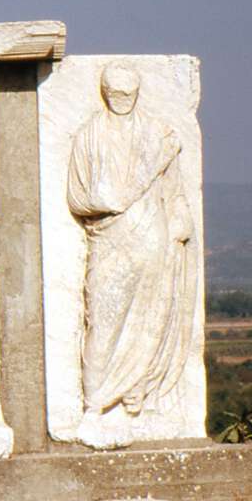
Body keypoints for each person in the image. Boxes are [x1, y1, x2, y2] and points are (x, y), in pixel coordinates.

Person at [66, 64, 197, 447]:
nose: (122, 101)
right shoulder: (89, 136)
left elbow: (173, 191)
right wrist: (106, 201)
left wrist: (179, 221)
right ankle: (94, 407)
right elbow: (77, 196)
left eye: (129, 94)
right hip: (109, 240)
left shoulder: (158, 135)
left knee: (151, 319)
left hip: (153, 240)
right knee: (103, 324)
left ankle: (136, 399)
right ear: (106, 93)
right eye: (115, 94)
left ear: (137, 93)